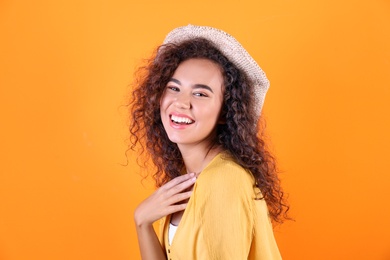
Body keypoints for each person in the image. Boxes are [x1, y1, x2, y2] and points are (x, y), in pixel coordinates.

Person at [129, 24, 289, 259]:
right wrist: (142, 223)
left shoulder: (224, 180)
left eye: (200, 93)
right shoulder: (188, 177)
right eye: (174, 88)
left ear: (226, 112)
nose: (181, 103)